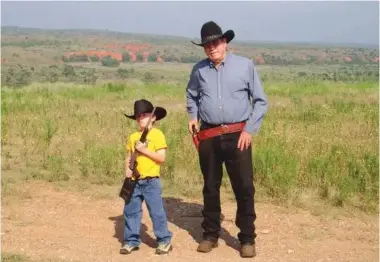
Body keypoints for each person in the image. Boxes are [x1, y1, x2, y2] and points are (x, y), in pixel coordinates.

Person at [186, 21, 268, 258]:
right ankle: (210, 235)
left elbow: (261, 101)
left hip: (238, 135)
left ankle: (247, 238)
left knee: (244, 188)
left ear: (224, 43)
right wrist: (192, 115)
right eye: (207, 45)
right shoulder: (198, 70)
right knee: (210, 187)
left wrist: (249, 130)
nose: (211, 48)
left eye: (215, 43)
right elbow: (191, 94)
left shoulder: (245, 66)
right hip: (209, 135)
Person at [120, 99, 173, 255]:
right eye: (138, 116)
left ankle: (164, 241)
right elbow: (129, 156)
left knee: (156, 212)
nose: (140, 118)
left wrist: (144, 150)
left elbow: (161, 158)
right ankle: (131, 241)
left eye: (144, 115)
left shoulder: (157, 135)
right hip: (134, 181)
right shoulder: (132, 137)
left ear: (153, 117)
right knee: (131, 211)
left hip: (151, 182)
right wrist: (127, 170)